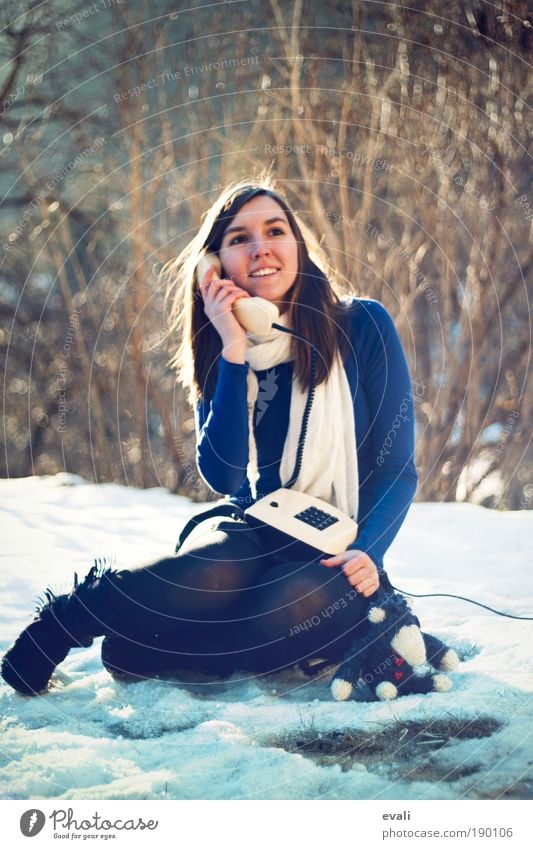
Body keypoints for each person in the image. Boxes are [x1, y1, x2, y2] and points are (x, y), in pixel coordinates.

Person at [1, 177, 418, 696]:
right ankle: (65, 620)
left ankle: (167, 647)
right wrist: (234, 349)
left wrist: (369, 553)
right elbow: (223, 474)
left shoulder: (363, 325)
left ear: (298, 246)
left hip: (333, 541)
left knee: (307, 601)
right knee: (215, 572)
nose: (261, 247)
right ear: (215, 264)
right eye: (240, 238)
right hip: (251, 525)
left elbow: (397, 467)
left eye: (275, 230)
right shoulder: (222, 344)